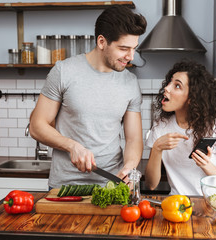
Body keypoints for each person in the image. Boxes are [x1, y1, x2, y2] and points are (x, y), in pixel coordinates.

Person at [29, 5, 147, 188]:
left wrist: (129, 168)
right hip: (65, 187)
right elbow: (37, 126)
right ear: (101, 42)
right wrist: (71, 146)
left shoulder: (130, 82)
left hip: (111, 185)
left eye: (134, 48)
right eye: (124, 48)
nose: (130, 56)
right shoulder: (64, 71)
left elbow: (133, 139)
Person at [145, 61, 216, 196]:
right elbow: (150, 185)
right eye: (170, 82)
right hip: (177, 205)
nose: (167, 88)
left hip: (212, 205)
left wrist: (207, 166)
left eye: (177, 86)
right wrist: (157, 149)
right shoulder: (161, 126)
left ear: (192, 98)